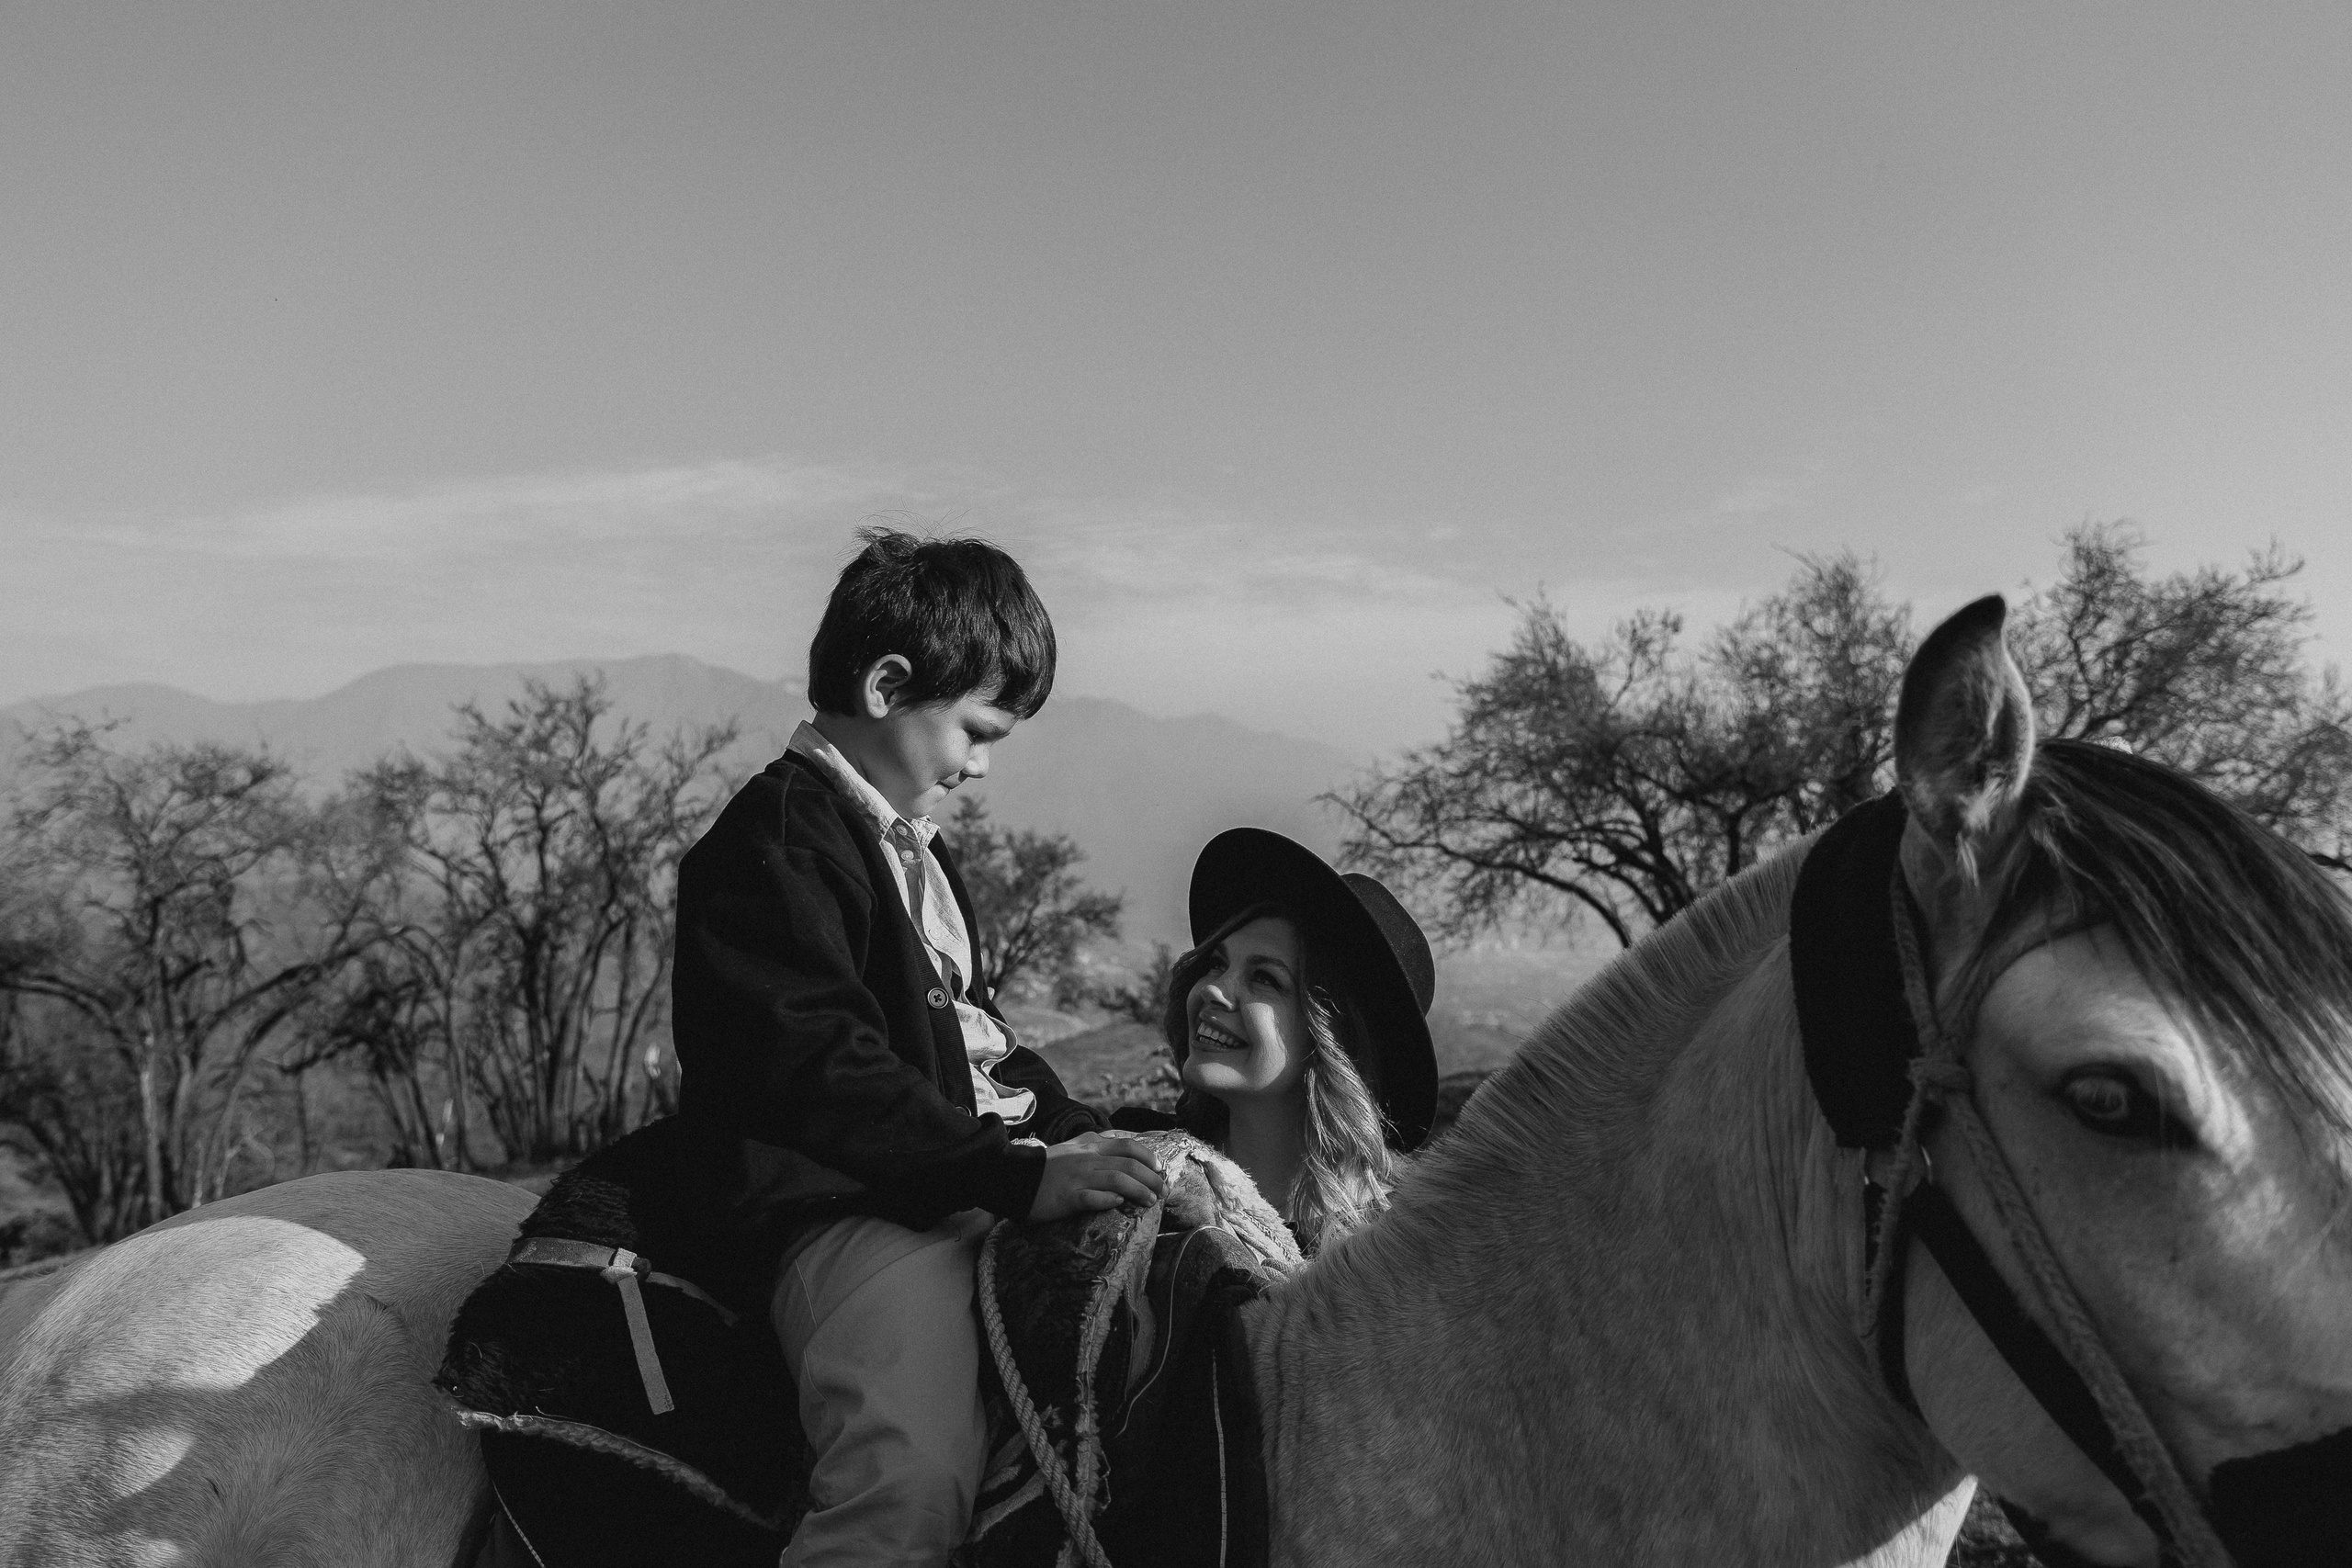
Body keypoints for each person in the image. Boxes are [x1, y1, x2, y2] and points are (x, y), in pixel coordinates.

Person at [671, 527, 1167, 1568]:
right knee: (911, 1483)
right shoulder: (770, 846)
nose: (981, 768)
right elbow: (818, 1070)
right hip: (845, 1216)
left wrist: (1087, 1140)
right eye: (977, 731)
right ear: (890, 685)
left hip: (941, 1186)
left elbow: (982, 1046)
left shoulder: (918, 853)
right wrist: (1010, 1175)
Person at [1112, 828, 1438, 1255]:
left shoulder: (1397, 1254)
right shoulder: (1138, 1169)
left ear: (1333, 1041)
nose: (1212, 989)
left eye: (1265, 978)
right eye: (1215, 963)